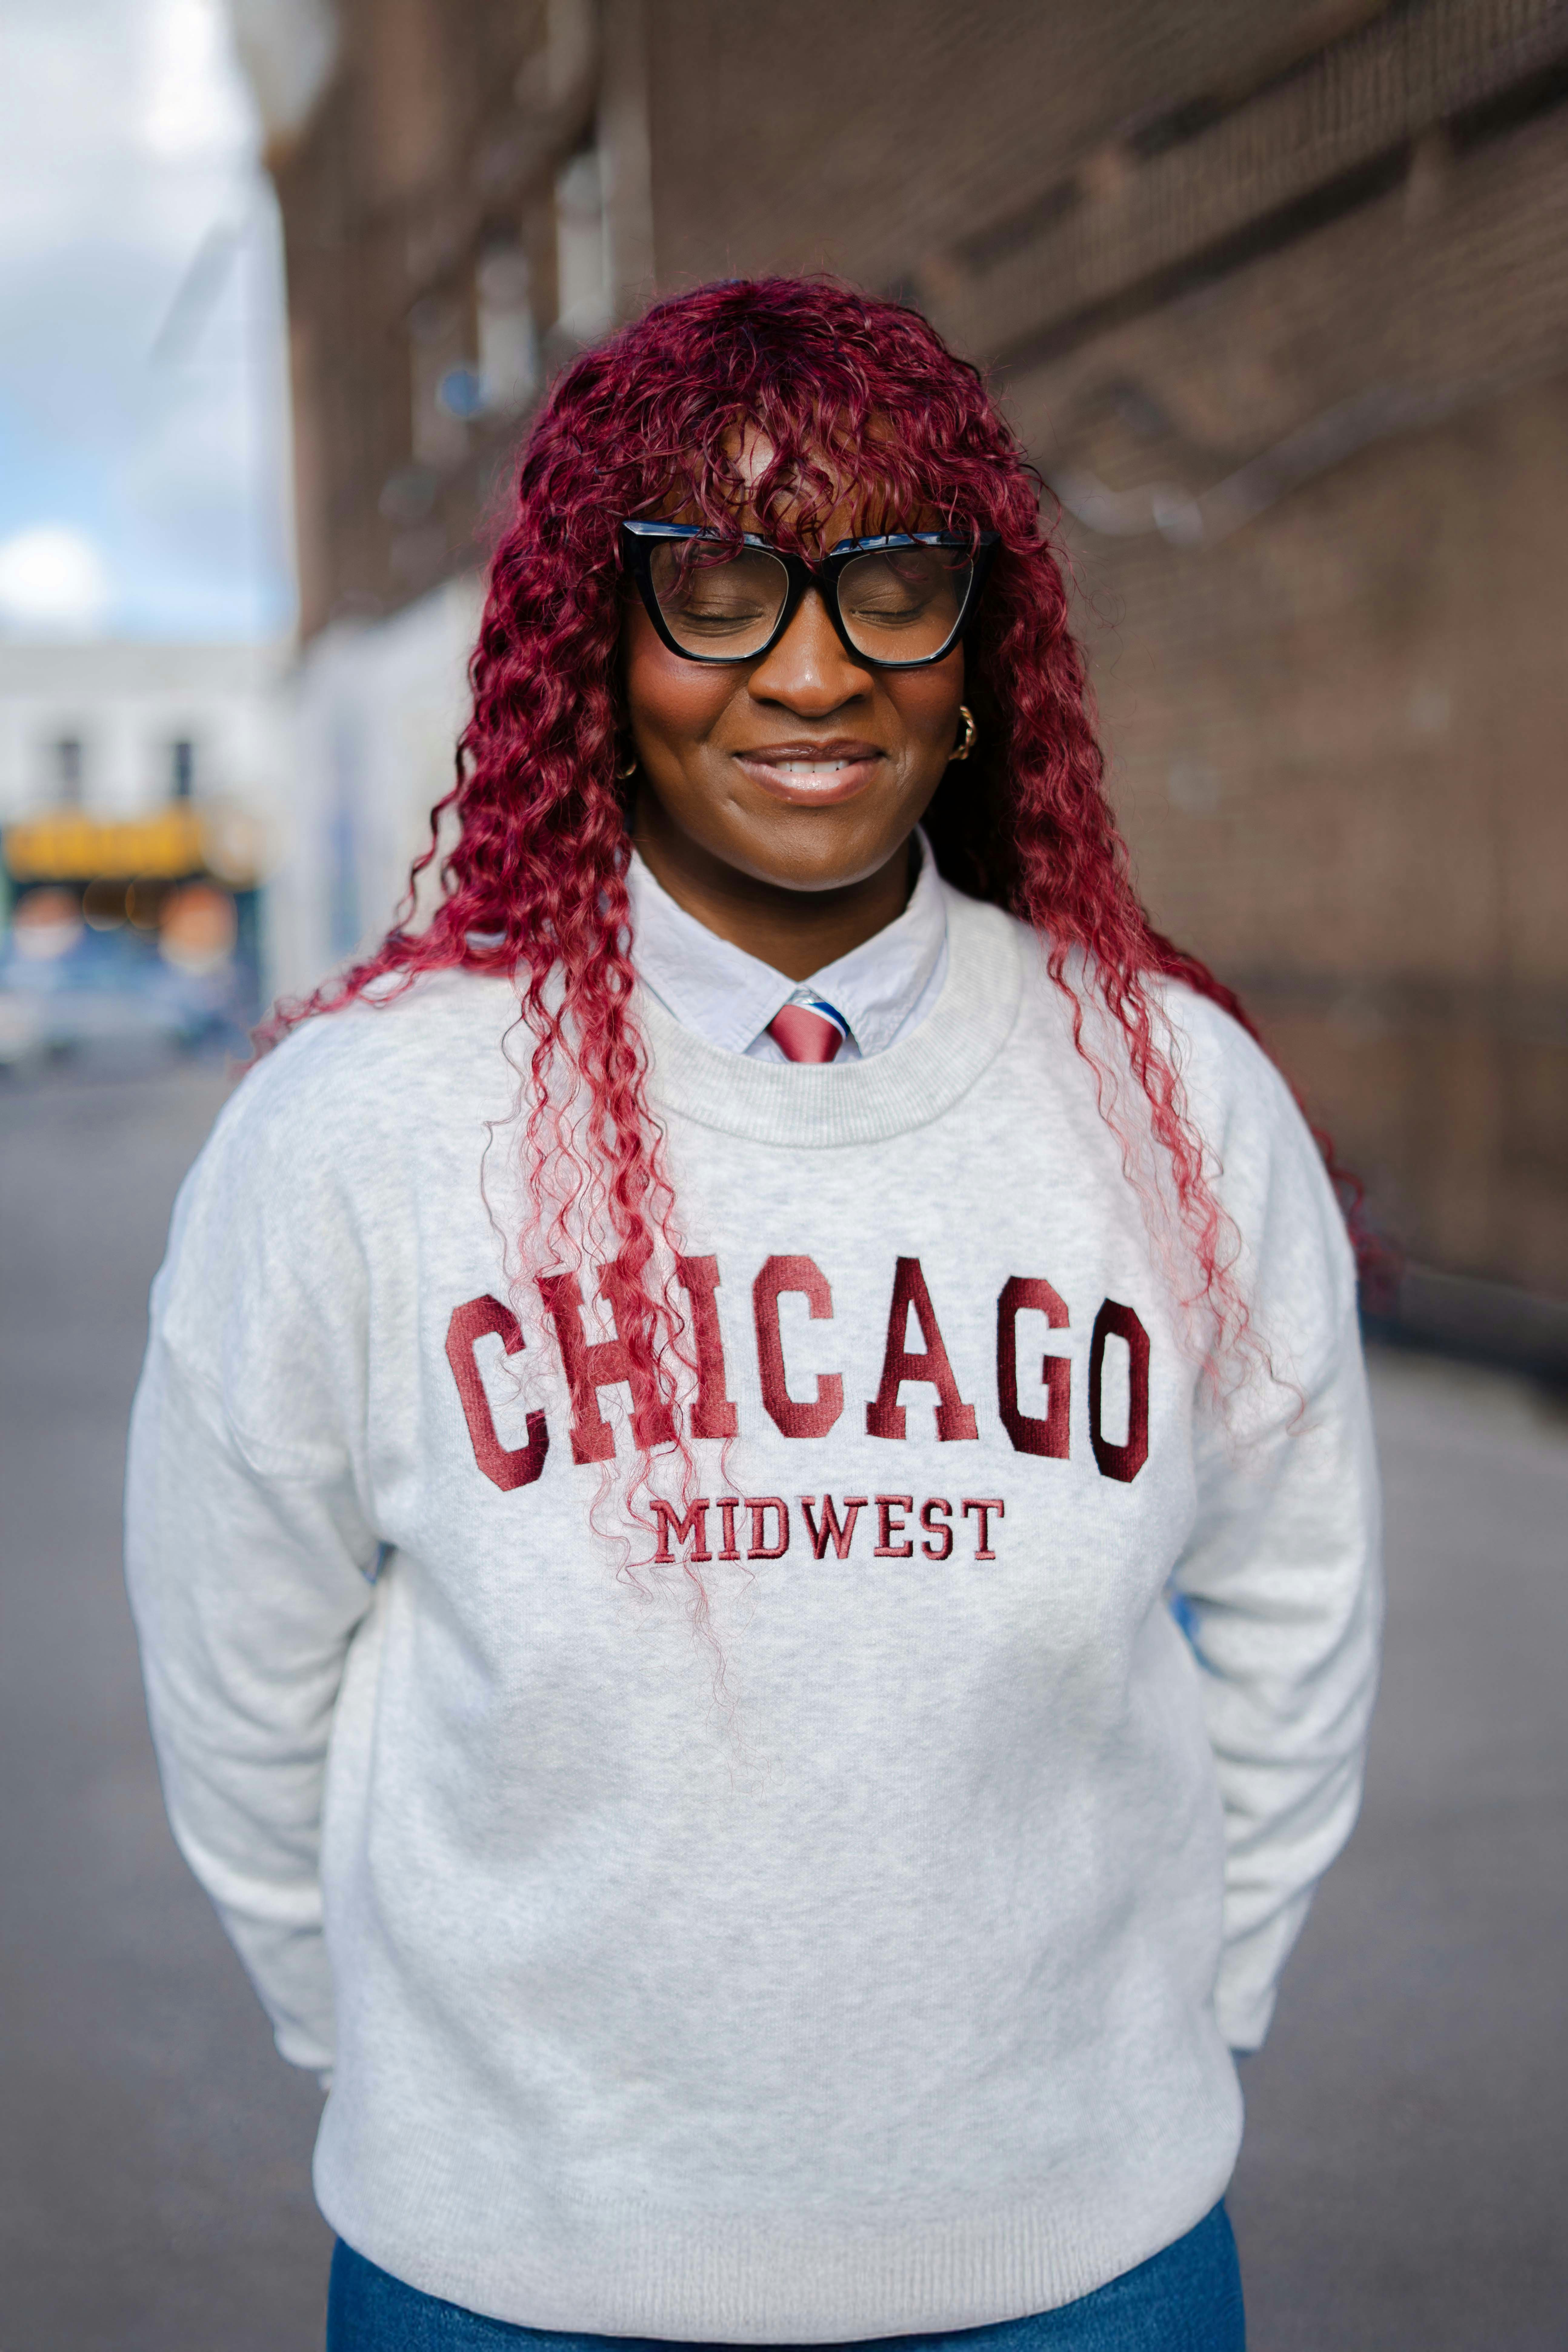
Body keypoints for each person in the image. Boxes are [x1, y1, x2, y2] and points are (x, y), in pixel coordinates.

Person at [125, 278, 1381, 2352]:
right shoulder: (360, 1129)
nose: (808, 668)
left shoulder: (1171, 1098)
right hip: (512, 2282)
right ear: (596, 649)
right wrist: (432, 2100)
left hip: (1079, 2266)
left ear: (976, 643)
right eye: (711, 580)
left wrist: (1174, 2023)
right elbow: (236, 1674)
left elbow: (1295, 1610)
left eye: (888, 577)